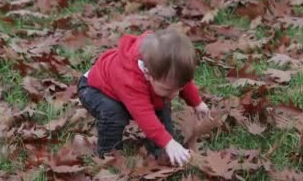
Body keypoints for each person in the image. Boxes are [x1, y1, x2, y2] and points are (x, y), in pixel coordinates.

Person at [77, 28, 210, 166]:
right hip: (95, 88)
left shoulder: (165, 68)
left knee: (162, 104)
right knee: (115, 113)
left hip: (123, 89)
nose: (174, 94)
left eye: (178, 89)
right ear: (147, 73)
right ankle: (108, 153)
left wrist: (197, 102)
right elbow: (143, 114)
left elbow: (182, 82)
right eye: (168, 89)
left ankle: (161, 151)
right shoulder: (130, 80)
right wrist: (168, 142)